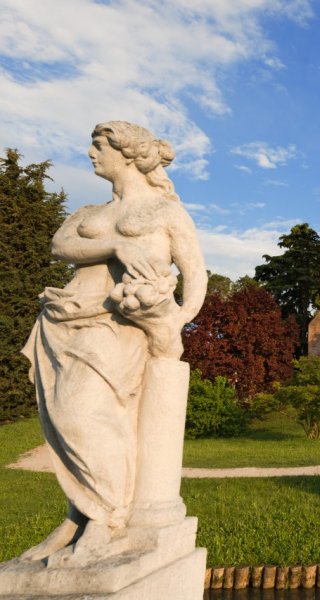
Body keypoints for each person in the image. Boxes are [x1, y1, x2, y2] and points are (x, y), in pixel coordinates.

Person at [19, 121, 207, 565]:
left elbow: (195, 274)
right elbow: (60, 246)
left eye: (98, 145)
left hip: (121, 326)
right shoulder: (88, 211)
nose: (89, 153)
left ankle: (106, 517)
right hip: (64, 321)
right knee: (61, 421)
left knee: (85, 413)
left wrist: (175, 320)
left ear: (127, 153)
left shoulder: (165, 212)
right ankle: (80, 515)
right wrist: (118, 248)